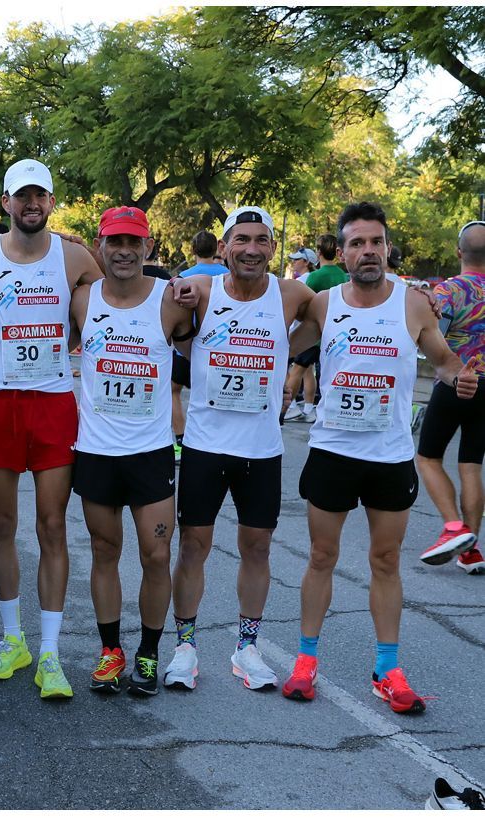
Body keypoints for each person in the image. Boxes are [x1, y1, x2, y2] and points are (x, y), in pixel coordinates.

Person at [282, 202, 478, 711]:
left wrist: (460, 375)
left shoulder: (413, 305)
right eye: (357, 243)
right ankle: (305, 660)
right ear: (343, 252)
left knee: (386, 560)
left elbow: (443, 359)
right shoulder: (323, 304)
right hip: (333, 450)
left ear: (387, 248)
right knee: (321, 557)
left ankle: (386, 668)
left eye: (376, 242)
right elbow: (282, 343)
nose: (368, 251)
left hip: (389, 456)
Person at [0, 158, 102, 698]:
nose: (32, 204)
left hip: (52, 404)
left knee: (52, 526)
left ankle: (51, 653)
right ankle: (13, 638)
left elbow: (109, 307)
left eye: (40, 195)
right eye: (22, 196)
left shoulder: (75, 256)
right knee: (0, 525)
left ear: (51, 202)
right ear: (6, 203)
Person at [164, 206, 314, 692]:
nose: (251, 249)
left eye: (261, 240)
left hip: (261, 449)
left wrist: (412, 295)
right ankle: (185, 647)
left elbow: (347, 309)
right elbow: (157, 308)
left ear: (273, 247)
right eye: (242, 240)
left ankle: (247, 648)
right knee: (192, 546)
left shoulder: (291, 294)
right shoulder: (201, 290)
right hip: (205, 446)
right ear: (225, 247)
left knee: (258, 547)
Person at [74, 207, 195, 696]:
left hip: (149, 452)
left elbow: (208, 341)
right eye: (115, 241)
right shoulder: (82, 300)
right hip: (96, 451)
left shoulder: (171, 301)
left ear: (148, 247)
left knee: (156, 554)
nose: (124, 251)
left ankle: (148, 651)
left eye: (133, 242)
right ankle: (111, 652)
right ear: (100, 246)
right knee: (104, 551)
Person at [416, 220, 485, 573]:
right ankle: (471, 552)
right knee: (471, 465)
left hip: (455, 382)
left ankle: (455, 528)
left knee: (428, 458)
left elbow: (432, 341)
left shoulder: (449, 291)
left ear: (459, 252)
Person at [171, 230, 228, 462]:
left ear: (193, 250)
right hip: (220, 349)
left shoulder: (185, 276)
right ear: (217, 249)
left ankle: (180, 441)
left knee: (172, 390)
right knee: (216, 396)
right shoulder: (228, 275)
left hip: (187, 346)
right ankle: (217, 441)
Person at [285, 236, 345, 423]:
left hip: (314, 333)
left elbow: (304, 304)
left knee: (297, 370)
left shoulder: (316, 276)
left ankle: (289, 407)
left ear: (319, 252)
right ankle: (309, 409)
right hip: (336, 333)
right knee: (310, 372)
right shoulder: (342, 275)